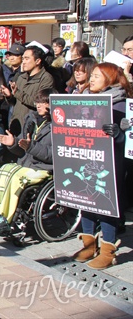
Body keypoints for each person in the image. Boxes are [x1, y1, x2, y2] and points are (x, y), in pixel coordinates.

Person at [73, 63, 133, 269]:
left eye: (97, 76)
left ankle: (108, 251)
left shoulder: (121, 103)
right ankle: (89, 244)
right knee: (86, 201)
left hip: (111, 163)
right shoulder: (85, 99)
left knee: (105, 203)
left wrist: (119, 133)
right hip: (87, 159)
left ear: (110, 78)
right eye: (92, 75)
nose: (92, 79)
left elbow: (128, 142)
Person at [0, 88, 54, 234]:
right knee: (5, 169)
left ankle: (6, 217)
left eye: (44, 102)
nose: (39, 105)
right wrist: (13, 143)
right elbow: (22, 147)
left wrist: (31, 146)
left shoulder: (57, 126)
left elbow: (53, 155)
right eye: (38, 102)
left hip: (44, 167)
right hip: (27, 163)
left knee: (16, 177)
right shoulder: (32, 118)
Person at [8, 45, 54, 136]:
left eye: (27, 59)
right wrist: (9, 96)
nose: (23, 62)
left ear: (37, 61)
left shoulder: (46, 79)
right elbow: (16, 102)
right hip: (17, 123)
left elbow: (38, 102)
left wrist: (17, 93)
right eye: (23, 58)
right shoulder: (21, 77)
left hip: (32, 125)